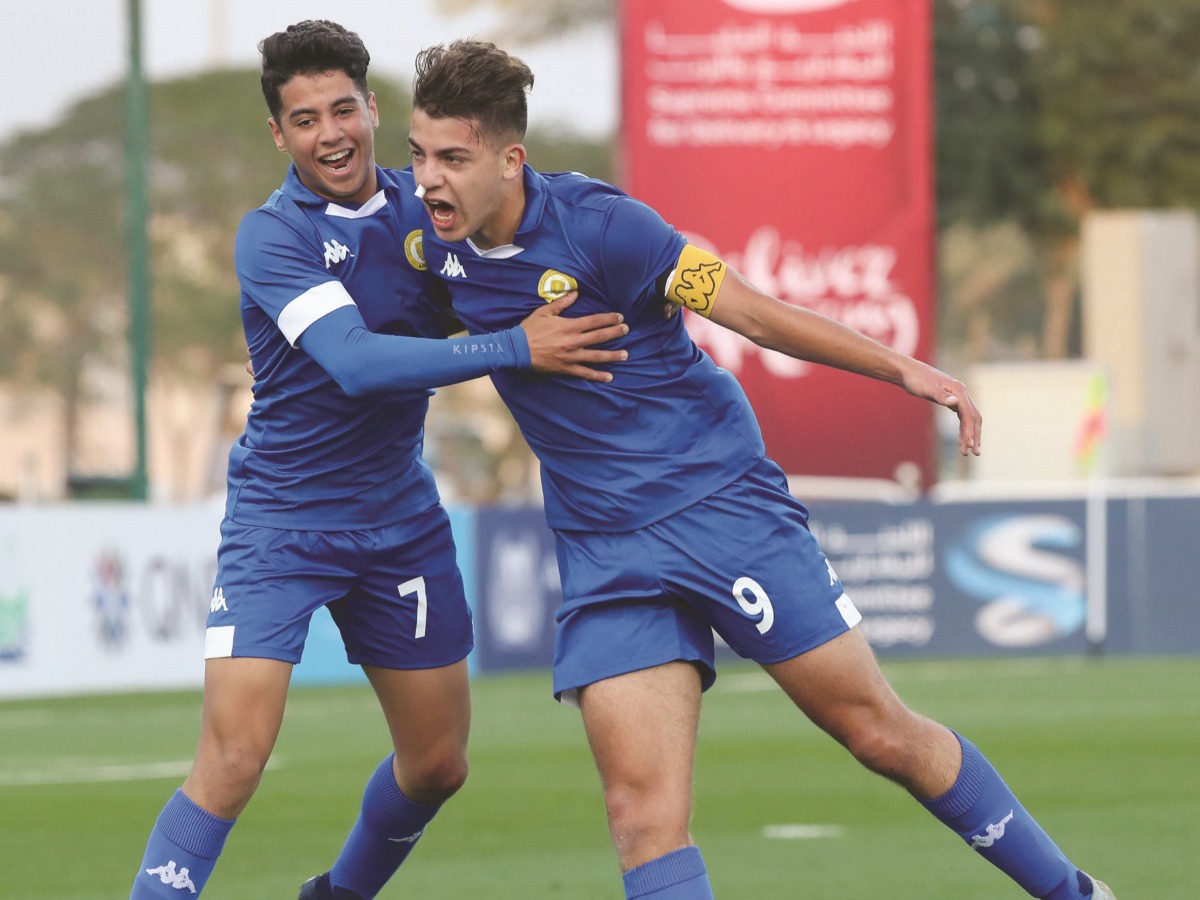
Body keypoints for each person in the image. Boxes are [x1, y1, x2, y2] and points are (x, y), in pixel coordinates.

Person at [406, 39, 1119, 900]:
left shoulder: (607, 228)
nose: (428, 179)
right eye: (418, 155)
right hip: (604, 548)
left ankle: (1074, 893)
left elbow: (752, 312)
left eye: (453, 158)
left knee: (877, 733)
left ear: (510, 159)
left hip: (719, 508)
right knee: (640, 817)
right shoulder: (427, 250)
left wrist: (904, 369)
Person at [127, 21, 629, 900]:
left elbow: (526, 246)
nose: (331, 133)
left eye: (344, 108)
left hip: (400, 525)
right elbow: (356, 362)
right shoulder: (270, 237)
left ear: (370, 109)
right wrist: (516, 346)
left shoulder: (426, 209)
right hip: (280, 527)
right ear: (278, 136)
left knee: (438, 764)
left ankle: (337, 895)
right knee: (235, 758)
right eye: (306, 118)